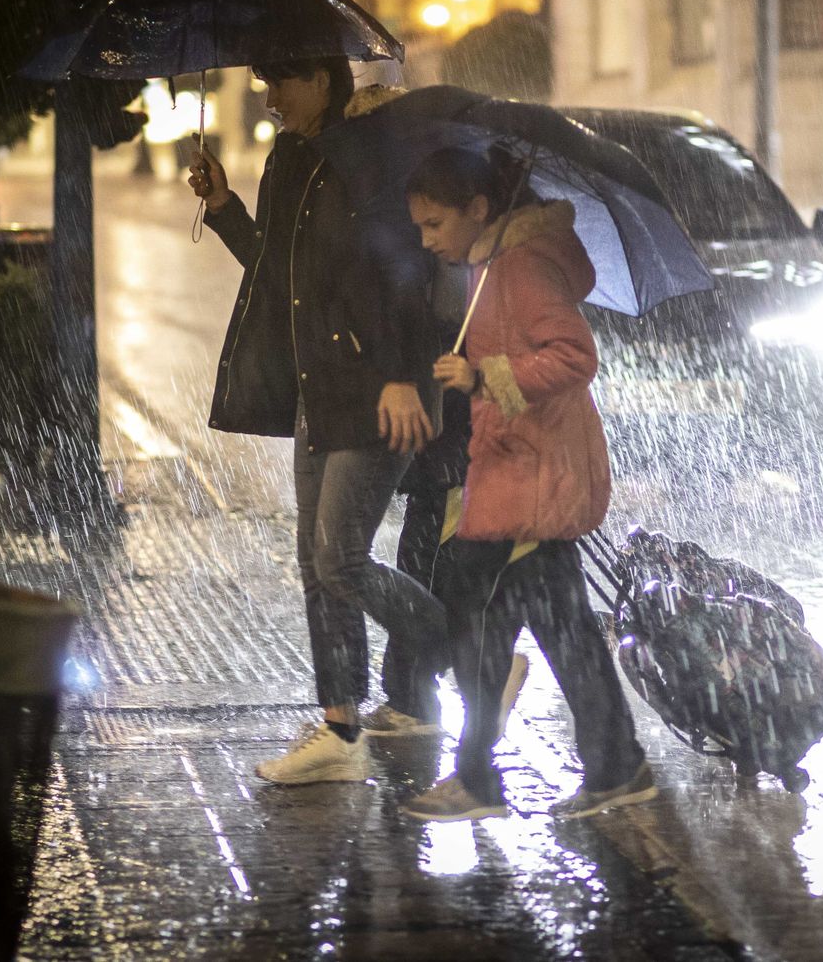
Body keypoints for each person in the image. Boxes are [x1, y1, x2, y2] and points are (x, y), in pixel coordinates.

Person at [187, 56, 451, 786]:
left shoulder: (368, 154)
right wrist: (223, 206)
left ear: (324, 80)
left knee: (341, 558)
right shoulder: (292, 159)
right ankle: (341, 728)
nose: (270, 99)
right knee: (317, 565)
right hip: (320, 391)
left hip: (379, 389)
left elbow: (404, 267)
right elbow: (280, 273)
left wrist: (401, 374)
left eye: (283, 82)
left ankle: (463, 646)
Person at [397, 145, 655, 822]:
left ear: (478, 209)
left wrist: (486, 376)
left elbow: (575, 355)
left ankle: (483, 780)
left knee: (476, 620)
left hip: (532, 476)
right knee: (558, 634)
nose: (426, 241)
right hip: (521, 470)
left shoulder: (519, 267)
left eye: (433, 225)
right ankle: (615, 767)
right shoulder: (492, 268)